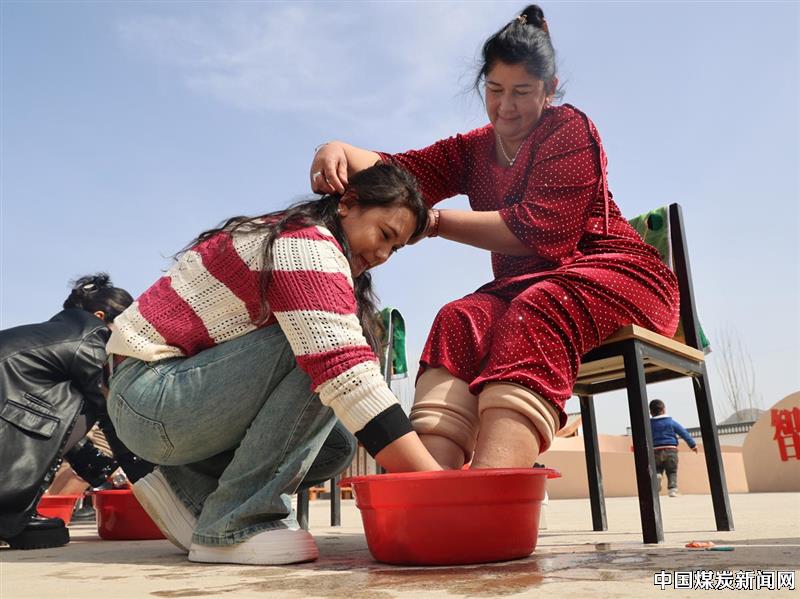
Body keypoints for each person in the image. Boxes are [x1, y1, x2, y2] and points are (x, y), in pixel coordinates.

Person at [310, 4, 680, 472]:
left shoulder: (570, 129)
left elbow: (537, 232)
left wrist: (436, 223)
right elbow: (402, 172)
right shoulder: (475, 148)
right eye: (495, 90)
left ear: (549, 89)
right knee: (456, 319)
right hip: (528, 287)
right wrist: (336, 149)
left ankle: (495, 486)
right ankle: (435, 493)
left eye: (521, 92)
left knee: (537, 310)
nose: (506, 107)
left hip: (618, 277)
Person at [105, 163, 441, 566]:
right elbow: (345, 370)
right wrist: (436, 483)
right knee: (321, 351)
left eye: (395, 248)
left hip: (164, 401)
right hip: (149, 395)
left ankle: (191, 491)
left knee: (336, 447)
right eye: (384, 234)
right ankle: (235, 524)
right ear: (348, 203)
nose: (383, 255)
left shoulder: (303, 239)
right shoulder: (305, 243)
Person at [0, 274, 148, 550]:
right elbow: (110, 411)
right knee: (90, 401)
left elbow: (60, 424)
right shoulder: (92, 337)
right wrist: (143, 479)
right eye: (126, 327)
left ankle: (12, 513)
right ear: (101, 316)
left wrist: (106, 472)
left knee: (74, 400)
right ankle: (9, 510)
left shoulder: (52, 336)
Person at [649, 399, 698, 497]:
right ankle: (672, 490)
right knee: (672, 471)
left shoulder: (649, 424)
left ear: (651, 412)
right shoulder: (671, 422)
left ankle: (658, 475)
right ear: (664, 410)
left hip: (655, 450)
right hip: (671, 450)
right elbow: (683, 433)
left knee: (657, 468)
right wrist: (692, 445)